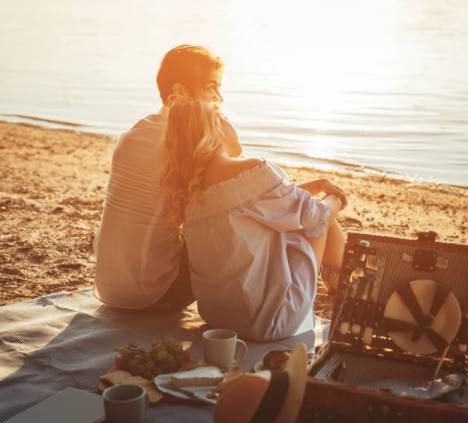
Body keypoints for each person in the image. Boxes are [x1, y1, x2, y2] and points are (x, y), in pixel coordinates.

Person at [162, 95, 347, 341]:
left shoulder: (189, 189)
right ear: (215, 128)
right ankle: (348, 278)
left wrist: (312, 189)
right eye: (224, 117)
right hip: (270, 321)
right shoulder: (252, 168)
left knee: (301, 213)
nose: (232, 123)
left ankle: (341, 279)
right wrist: (337, 199)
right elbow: (316, 218)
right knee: (319, 218)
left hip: (219, 319)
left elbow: (248, 204)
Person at [94, 45, 237, 311]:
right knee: (231, 227)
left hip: (109, 286)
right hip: (153, 295)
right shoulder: (188, 141)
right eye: (210, 87)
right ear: (179, 92)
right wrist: (222, 127)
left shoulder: (136, 131)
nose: (218, 97)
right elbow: (239, 185)